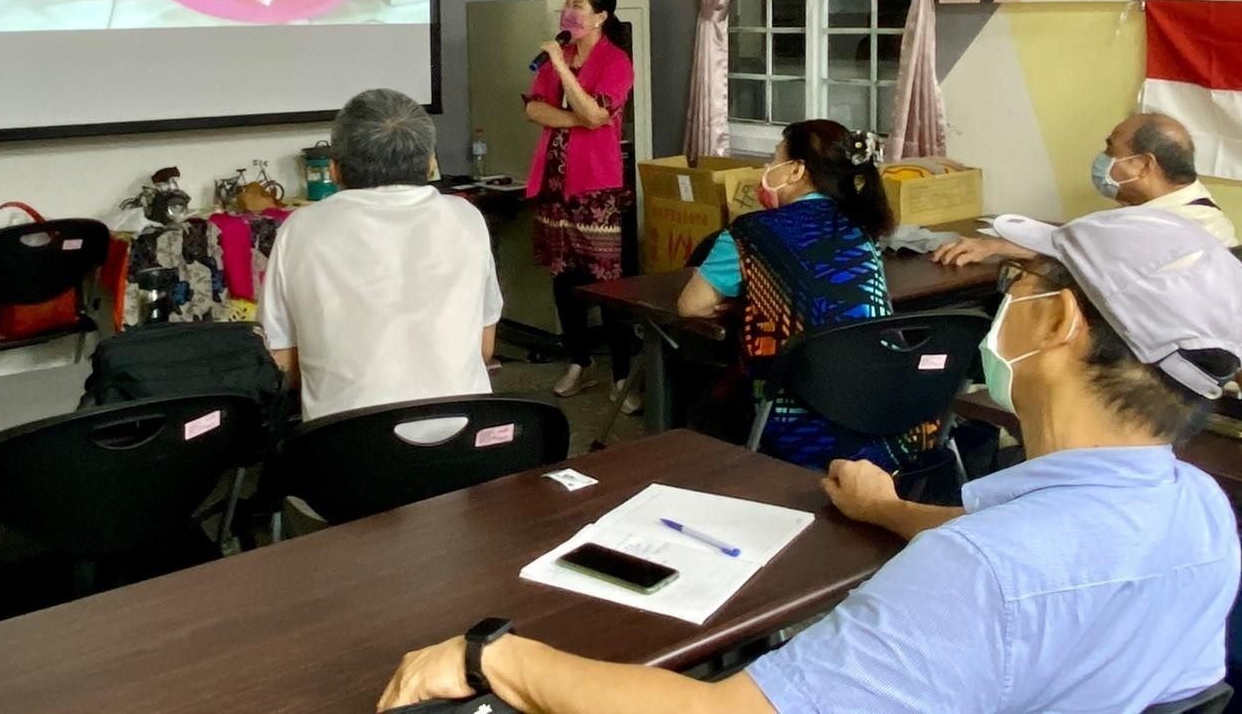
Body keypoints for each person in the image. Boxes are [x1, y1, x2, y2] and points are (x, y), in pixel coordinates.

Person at [379, 207, 1242, 713]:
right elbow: (1048, 566)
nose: (1002, 303)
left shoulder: (978, 574)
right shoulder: (1200, 507)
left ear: (1059, 325)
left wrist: (498, 658)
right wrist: (893, 512)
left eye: (1017, 283)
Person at [677, 120, 919, 469]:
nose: (766, 169)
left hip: (798, 426)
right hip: (879, 418)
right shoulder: (861, 228)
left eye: (773, 158)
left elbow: (691, 305)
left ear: (796, 171)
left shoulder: (750, 233)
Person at [260, 89, 502, 422]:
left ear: (334, 170)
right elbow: (483, 349)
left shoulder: (302, 228)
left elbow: (281, 361)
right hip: (464, 442)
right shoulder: (467, 218)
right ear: (431, 162)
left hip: (351, 449)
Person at [526, 0, 636, 405]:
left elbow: (596, 111)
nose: (568, 12)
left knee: (607, 283)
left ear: (601, 16)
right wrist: (580, 118)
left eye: (577, 5)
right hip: (554, 182)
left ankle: (623, 374)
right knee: (563, 276)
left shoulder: (615, 61)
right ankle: (580, 360)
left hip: (596, 187)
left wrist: (566, 82)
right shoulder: (562, 55)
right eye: (566, 4)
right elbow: (534, 110)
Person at [935, 112, 1238, 267]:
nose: (1103, 158)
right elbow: (1081, 247)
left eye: (1111, 149)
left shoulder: (1168, 231)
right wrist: (997, 246)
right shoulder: (1187, 212)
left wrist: (999, 246)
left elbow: (1090, 251)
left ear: (1144, 165)